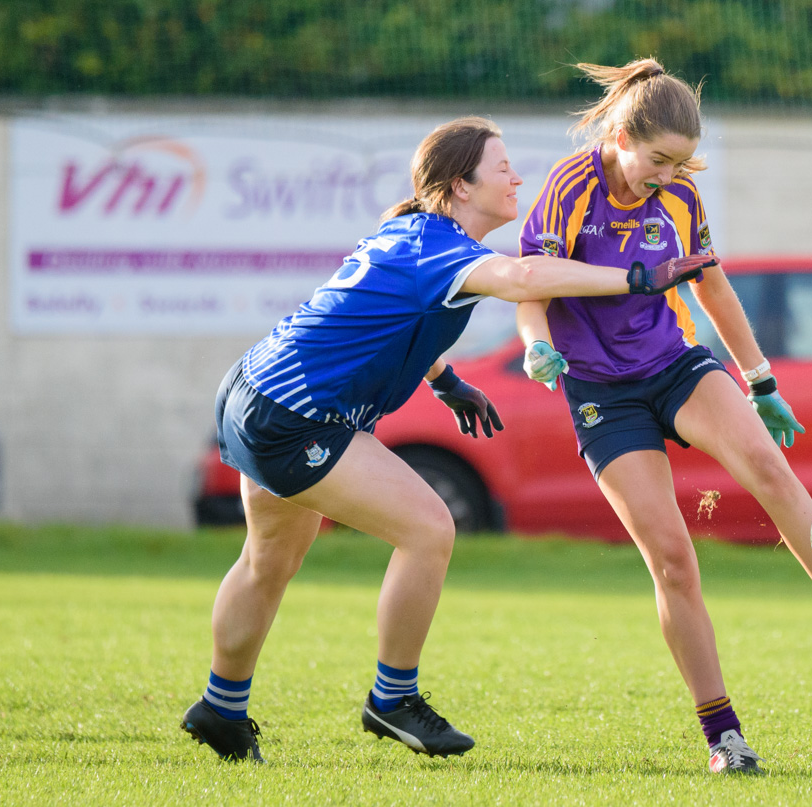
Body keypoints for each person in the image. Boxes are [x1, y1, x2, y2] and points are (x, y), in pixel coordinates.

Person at [179, 116, 708, 763]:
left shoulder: (417, 233)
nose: (516, 177)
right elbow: (522, 280)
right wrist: (637, 278)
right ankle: (392, 698)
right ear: (460, 185)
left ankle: (221, 708)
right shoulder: (442, 246)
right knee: (429, 527)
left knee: (268, 561)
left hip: (256, 391)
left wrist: (445, 379)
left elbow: (383, 312)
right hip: (296, 414)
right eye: (501, 167)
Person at [516, 60, 812, 775]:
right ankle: (723, 737)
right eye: (657, 159)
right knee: (671, 558)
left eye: (680, 163)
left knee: (767, 464)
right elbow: (530, 282)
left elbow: (713, 288)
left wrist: (759, 378)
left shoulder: (679, 199)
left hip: (673, 365)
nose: (667, 175)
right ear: (619, 134)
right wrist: (536, 346)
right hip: (599, 395)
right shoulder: (569, 186)